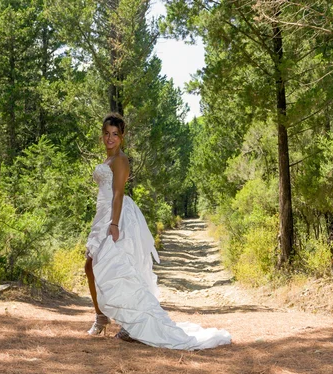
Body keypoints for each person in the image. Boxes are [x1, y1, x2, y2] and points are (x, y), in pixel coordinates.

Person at [83, 113, 231, 350]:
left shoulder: (121, 160)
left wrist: (114, 224)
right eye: (107, 134)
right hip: (103, 214)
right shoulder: (108, 159)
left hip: (116, 216)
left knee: (115, 269)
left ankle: (125, 323)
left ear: (122, 137)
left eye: (115, 135)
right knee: (93, 266)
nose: (110, 138)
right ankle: (104, 316)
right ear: (103, 134)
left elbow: (118, 194)